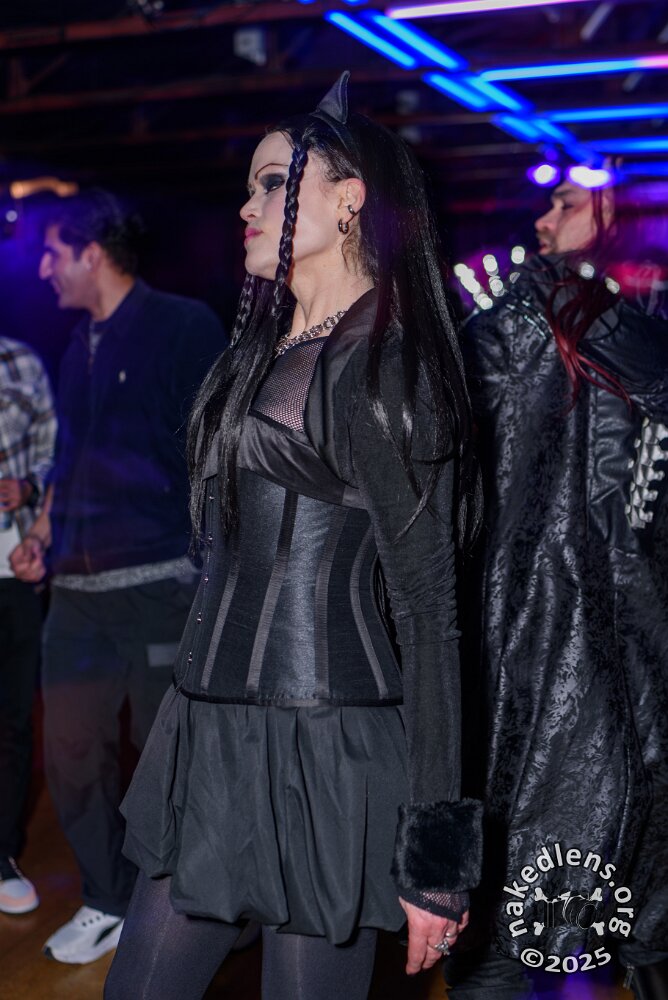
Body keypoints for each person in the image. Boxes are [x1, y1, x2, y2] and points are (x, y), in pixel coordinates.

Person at [104, 72, 483, 1000]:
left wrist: (439, 860)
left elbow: (431, 611)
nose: (248, 205)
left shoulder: (388, 365)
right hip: (210, 729)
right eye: (249, 187)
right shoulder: (267, 348)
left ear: (350, 199)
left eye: (273, 182)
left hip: (328, 750)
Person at [447, 175, 668, 999]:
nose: (543, 218)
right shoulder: (534, 317)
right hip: (561, 650)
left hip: (588, 656)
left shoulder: (553, 317)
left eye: (566, 203)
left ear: (621, 214)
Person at [11, 189, 226, 964]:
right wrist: (42, 532)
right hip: (76, 597)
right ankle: (107, 898)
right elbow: (70, 456)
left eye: (52, 254)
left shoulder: (183, 327)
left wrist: (210, 566)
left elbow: (215, 453)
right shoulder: (79, 345)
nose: (43, 270)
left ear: (91, 253)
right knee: (72, 757)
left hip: (160, 586)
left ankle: (189, 909)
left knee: (168, 764)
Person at [0, 337, 56, 915]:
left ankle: (2, 853)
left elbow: (54, 452)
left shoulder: (20, 363)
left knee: (13, 723)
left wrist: (30, 488)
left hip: (13, 569)